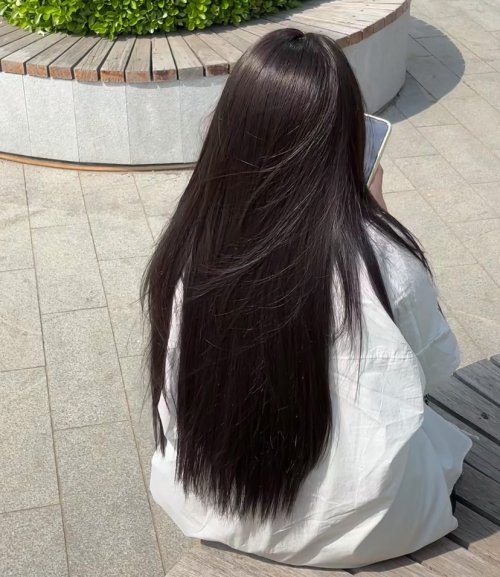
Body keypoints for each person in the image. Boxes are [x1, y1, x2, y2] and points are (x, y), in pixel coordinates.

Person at [142, 29, 472, 569]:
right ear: (347, 141)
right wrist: (379, 219)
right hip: (366, 530)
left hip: (217, 504)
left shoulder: (189, 245)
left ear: (229, 132)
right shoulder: (384, 262)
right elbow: (434, 369)